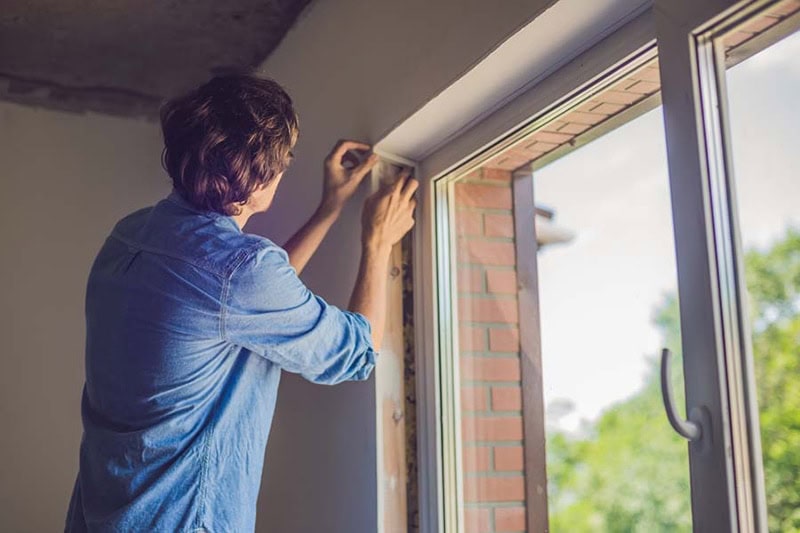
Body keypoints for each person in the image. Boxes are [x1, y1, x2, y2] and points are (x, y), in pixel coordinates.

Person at [64, 74, 417, 532]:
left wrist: (330, 208)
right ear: (259, 175)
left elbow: (237, 304)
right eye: (285, 157)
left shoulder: (130, 234)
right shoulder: (240, 274)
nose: (287, 165)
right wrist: (378, 243)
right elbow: (355, 352)